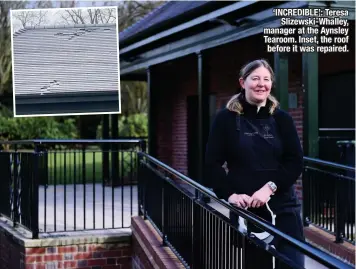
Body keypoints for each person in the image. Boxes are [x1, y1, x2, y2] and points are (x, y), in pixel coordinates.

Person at [204, 59, 305, 269]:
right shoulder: (225, 119)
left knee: (293, 264)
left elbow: (295, 161)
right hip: (248, 210)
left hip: (284, 208)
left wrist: (270, 188)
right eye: (255, 78)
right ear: (243, 82)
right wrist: (230, 194)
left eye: (266, 79)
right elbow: (211, 164)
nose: (261, 84)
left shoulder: (282, 119)